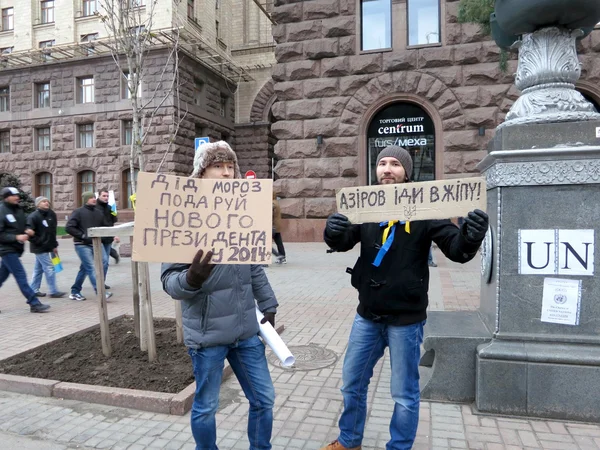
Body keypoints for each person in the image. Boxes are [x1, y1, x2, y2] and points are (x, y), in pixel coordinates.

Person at [320, 145, 489, 450]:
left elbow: (455, 248)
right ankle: (348, 441)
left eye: (395, 164)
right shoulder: (367, 205)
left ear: (406, 173)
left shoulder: (424, 207)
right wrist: (333, 231)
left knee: (404, 394)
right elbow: (344, 240)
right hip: (367, 315)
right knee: (352, 384)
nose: (387, 169)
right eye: (382, 162)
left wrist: (471, 236)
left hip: (406, 321)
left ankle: (398, 446)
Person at [161, 140, 279, 450]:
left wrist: (268, 302)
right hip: (207, 336)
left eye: (230, 167)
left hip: (246, 332)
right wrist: (191, 278)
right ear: (201, 174)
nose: (227, 174)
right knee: (205, 408)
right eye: (218, 166)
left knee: (264, 399)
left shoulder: (241, 211)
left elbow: (252, 265)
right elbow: (169, 281)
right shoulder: (182, 214)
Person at [0, 187, 51, 313]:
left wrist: (27, 229)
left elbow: (23, 224)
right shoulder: (1, 211)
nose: (17, 197)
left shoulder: (17, 209)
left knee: (2, 276)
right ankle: (34, 303)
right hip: (6, 249)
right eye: (14, 195)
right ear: (6, 197)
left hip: (16, 249)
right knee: (21, 275)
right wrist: (16, 237)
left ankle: (34, 303)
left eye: (18, 195)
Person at [66, 192, 112, 301]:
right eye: (91, 197)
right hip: (82, 245)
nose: (94, 199)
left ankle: (75, 291)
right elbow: (69, 227)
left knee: (100, 263)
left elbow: (104, 227)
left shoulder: (98, 212)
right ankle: (100, 292)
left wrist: (111, 235)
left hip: (96, 244)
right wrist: (82, 236)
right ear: (86, 199)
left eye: (94, 197)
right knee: (91, 267)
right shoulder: (78, 212)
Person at [27, 196, 66, 298]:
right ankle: (53, 291)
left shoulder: (51, 214)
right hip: (39, 247)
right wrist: (39, 241)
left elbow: (53, 231)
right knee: (49, 267)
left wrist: (54, 245)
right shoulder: (33, 216)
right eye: (43, 201)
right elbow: (29, 234)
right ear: (38, 204)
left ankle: (33, 289)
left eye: (47, 201)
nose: (46, 203)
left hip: (49, 246)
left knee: (38, 269)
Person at [95, 188, 120, 288]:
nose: (106, 198)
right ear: (99, 196)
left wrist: (115, 234)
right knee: (104, 261)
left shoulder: (109, 207)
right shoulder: (95, 208)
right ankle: (99, 282)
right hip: (99, 239)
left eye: (107, 196)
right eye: (104, 196)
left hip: (108, 239)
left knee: (105, 263)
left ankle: (102, 282)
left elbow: (112, 222)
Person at [272, 193, 287, 264]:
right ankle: (282, 257)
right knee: (279, 242)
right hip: (277, 226)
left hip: (272, 226)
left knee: (266, 244)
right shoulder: (276, 202)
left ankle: (278, 255)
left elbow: (270, 215)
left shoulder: (272, 204)